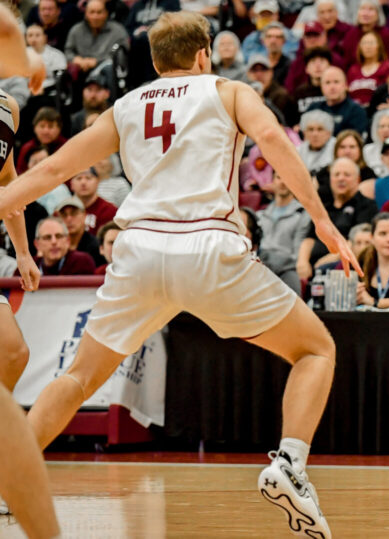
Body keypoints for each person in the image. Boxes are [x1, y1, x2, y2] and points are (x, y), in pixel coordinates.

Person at [0, 12, 363, 538]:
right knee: (316, 350)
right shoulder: (229, 90)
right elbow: (274, 140)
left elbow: (52, 171)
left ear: (153, 61)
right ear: (203, 54)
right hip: (207, 248)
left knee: (78, 378)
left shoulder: (126, 105)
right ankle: (289, 464)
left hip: (139, 253)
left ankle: (11, 481)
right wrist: (323, 221)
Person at [0, 11, 54, 532]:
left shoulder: (8, 108)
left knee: (13, 352)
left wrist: (22, 251)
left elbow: (8, 180)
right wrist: (32, 59)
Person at [299, 157, 377, 278]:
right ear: (330, 179)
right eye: (337, 174)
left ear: (358, 180)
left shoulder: (367, 205)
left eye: (347, 175)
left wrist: (325, 262)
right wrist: (302, 262)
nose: (341, 178)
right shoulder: (323, 206)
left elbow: (357, 240)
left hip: (342, 269)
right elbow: (309, 238)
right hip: (314, 269)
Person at [257, 171, 311, 294]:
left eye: (287, 178)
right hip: (261, 266)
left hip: (286, 268)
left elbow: (298, 249)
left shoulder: (302, 214)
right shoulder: (260, 215)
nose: (283, 182)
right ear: (273, 182)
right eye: (279, 177)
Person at [311, 66, 369, 135]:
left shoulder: (356, 111)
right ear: (321, 87)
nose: (332, 87)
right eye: (327, 82)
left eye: (336, 82)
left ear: (345, 85)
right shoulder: (313, 109)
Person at [69, 167, 117, 236]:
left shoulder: (110, 211)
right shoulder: (63, 211)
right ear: (71, 184)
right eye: (79, 178)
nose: (83, 182)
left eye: (88, 178)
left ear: (97, 182)